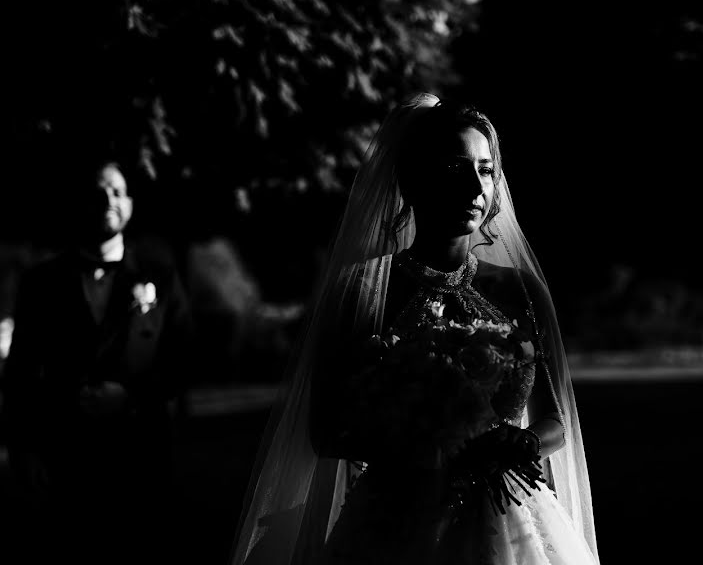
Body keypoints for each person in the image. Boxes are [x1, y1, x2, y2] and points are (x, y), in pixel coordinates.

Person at [230, 93, 599, 564]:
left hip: (508, 516)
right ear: (414, 178)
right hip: (396, 519)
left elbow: (554, 421)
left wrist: (521, 441)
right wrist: (428, 443)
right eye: (454, 168)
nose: (475, 187)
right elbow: (325, 432)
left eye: (486, 170)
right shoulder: (363, 289)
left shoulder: (518, 290)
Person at [2, 161, 195, 545]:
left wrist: (131, 397)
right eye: (99, 192)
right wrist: (24, 452)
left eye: (118, 191)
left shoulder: (161, 276)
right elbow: (20, 373)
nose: (109, 199)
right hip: (67, 457)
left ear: (131, 204)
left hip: (141, 458)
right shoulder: (42, 283)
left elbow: (184, 358)